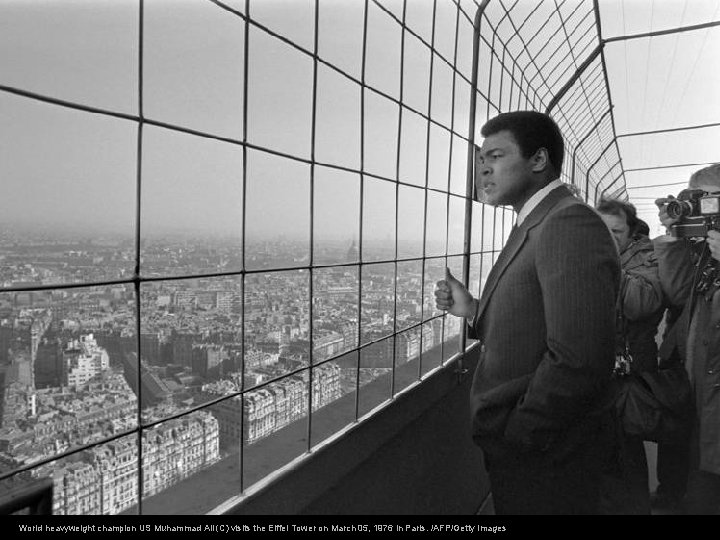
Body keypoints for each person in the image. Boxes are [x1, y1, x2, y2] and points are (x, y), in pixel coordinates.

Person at [434, 110, 620, 515]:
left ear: (538, 160)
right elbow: (534, 325)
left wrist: (521, 434)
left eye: (496, 157)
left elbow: (580, 357)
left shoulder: (568, 222)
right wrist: (473, 310)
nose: (483, 170)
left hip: (543, 450)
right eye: (481, 160)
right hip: (531, 444)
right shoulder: (537, 220)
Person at [654, 163, 720, 515]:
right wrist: (674, 236)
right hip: (699, 393)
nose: (699, 208)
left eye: (706, 200)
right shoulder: (705, 255)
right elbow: (679, 293)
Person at [596, 199, 665, 515]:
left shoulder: (646, 256)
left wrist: (607, 264)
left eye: (616, 231)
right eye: (602, 230)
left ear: (632, 231)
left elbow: (641, 303)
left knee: (625, 457)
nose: (608, 237)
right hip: (595, 373)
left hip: (630, 374)